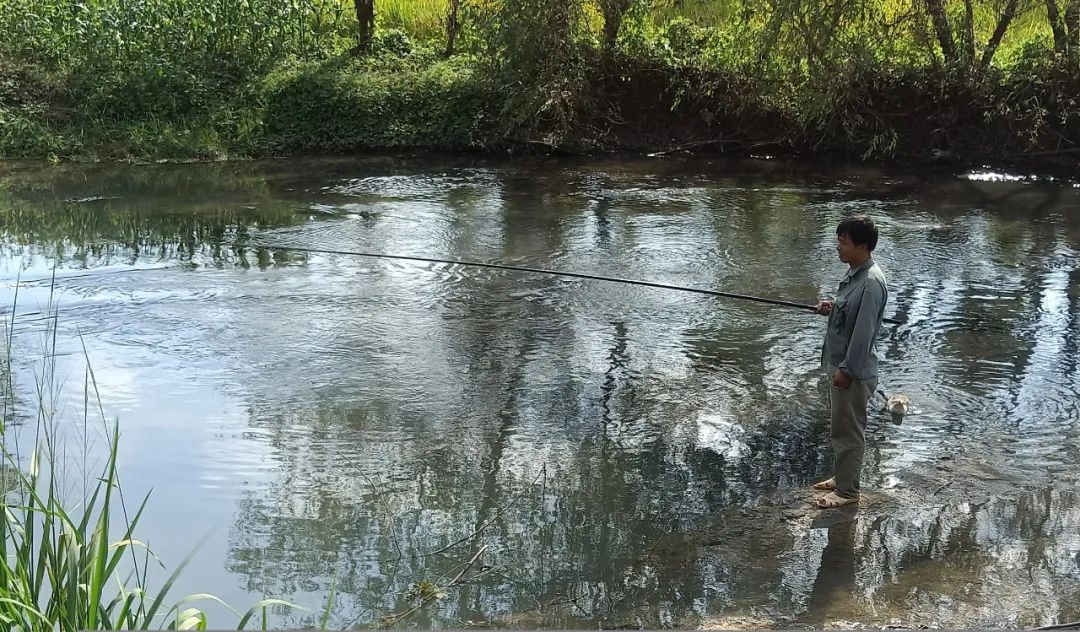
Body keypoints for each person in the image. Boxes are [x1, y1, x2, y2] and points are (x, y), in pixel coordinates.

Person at [811, 215, 889, 509]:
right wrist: (832, 307)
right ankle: (843, 477)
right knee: (840, 427)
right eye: (838, 241)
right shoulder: (855, 275)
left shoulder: (870, 283)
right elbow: (849, 316)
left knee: (848, 430)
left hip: (853, 373)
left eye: (843, 242)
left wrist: (846, 369)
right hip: (843, 368)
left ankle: (847, 492)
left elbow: (863, 334)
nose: (838, 247)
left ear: (863, 246)